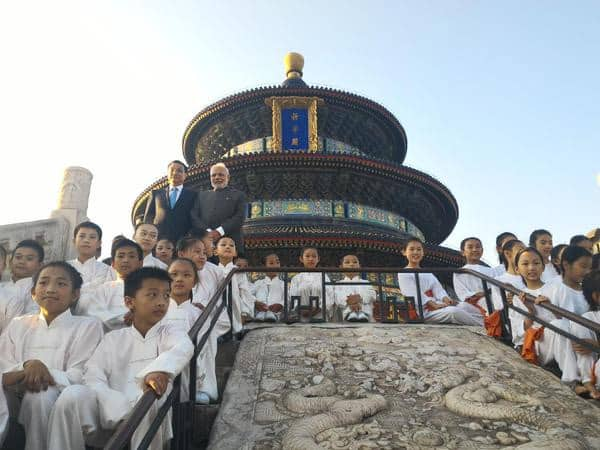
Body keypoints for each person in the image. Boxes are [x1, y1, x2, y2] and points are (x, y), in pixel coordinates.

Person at [48, 267, 194, 450]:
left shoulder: (171, 332)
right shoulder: (113, 338)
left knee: (149, 399)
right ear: (129, 302)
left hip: (148, 413)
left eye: (166, 296)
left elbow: (183, 347)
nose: (161, 302)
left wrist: (159, 370)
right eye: (152, 295)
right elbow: (93, 376)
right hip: (109, 411)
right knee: (71, 396)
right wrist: (114, 403)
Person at [0, 262, 103, 450]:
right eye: (43, 283)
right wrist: (29, 365)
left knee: (39, 395)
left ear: (75, 294)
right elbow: (4, 365)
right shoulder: (18, 324)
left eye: (61, 284)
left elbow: (80, 373)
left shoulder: (88, 325)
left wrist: (41, 373)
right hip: (14, 398)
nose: (50, 289)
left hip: (64, 399)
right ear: (33, 292)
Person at [511, 248, 577, 382]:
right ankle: (572, 381)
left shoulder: (556, 288)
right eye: (525, 264)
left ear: (543, 267)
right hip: (537, 346)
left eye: (536, 263)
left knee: (561, 326)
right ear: (517, 269)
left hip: (562, 338)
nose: (531, 267)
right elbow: (518, 335)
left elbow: (570, 322)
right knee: (558, 326)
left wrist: (552, 307)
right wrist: (530, 311)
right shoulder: (518, 297)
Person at [165, 258, 218, 404]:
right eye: (173, 274)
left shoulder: (199, 313)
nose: (179, 279)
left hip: (190, 371)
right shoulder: (157, 311)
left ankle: (200, 388)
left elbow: (206, 348)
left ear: (194, 281)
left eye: (186, 275)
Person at [397, 238, 483, 325]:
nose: (416, 252)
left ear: (423, 252)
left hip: (438, 305)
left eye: (419, 249)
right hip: (423, 310)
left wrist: (446, 299)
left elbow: (438, 290)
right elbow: (413, 293)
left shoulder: (428, 273)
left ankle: (485, 320)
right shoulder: (404, 273)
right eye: (412, 249)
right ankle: (483, 324)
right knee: (454, 312)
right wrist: (433, 305)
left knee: (464, 306)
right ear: (404, 252)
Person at [76, 239, 143, 331]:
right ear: (113, 264)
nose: (126, 260)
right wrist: (123, 318)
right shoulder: (105, 289)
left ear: (140, 263)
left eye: (131, 256)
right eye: (121, 256)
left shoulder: (151, 288)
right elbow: (96, 313)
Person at [191, 163, 247, 253]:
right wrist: (207, 232)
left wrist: (219, 231)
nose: (217, 177)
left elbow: (240, 217)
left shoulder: (239, 195)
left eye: (221, 175)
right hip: (205, 245)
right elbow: (194, 216)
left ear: (228, 177)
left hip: (231, 244)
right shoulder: (201, 196)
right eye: (214, 175)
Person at [143, 160, 195, 244]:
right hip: (158, 242)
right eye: (172, 170)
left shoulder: (193, 195)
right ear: (168, 173)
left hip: (182, 242)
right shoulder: (156, 194)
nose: (175, 173)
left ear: (185, 175)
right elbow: (148, 218)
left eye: (179, 171)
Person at [570, 270, 600, 399]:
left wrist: (597, 345)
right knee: (579, 327)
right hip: (596, 370)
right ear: (596, 296)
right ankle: (588, 382)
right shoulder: (588, 318)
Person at [214, 236, 255, 331]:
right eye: (223, 244)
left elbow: (245, 293)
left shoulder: (239, 272)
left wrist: (244, 313)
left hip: (235, 310)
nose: (228, 247)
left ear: (235, 252)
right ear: (215, 251)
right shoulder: (213, 270)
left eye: (231, 245)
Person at [0, 240, 44, 317]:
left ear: (40, 265)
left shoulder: (39, 291)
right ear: (10, 262)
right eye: (18, 257)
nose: (22, 262)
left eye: (29, 259)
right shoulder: (2, 287)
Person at [288, 247, 334, 320]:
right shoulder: (296, 278)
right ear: (301, 259)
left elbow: (329, 295)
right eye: (307, 256)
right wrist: (300, 309)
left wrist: (318, 308)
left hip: (320, 315)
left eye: (314, 256)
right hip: (301, 316)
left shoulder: (324, 276)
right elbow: (292, 296)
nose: (311, 259)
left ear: (318, 259)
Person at [452, 237, 494, 315]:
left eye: (478, 247)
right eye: (470, 247)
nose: (474, 249)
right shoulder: (459, 272)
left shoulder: (491, 271)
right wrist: (477, 295)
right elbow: (462, 294)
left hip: (492, 303)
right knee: (461, 306)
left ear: (482, 251)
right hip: (474, 307)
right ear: (463, 252)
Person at [67, 221, 111, 287]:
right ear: (74, 241)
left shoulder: (107, 271)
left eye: (92, 237)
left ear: (99, 243)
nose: (86, 240)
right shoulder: (65, 267)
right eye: (82, 236)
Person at [334, 254, 376, 322]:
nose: (351, 264)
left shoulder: (366, 282)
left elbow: (372, 295)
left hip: (366, 317)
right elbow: (338, 298)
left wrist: (360, 297)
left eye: (355, 262)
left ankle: (363, 314)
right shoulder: (338, 284)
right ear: (341, 267)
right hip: (344, 317)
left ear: (359, 266)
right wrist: (350, 301)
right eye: (347, 262)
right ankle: (350, 313)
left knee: (366, 301)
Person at [491, 239, 526, 311]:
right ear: (507, 253)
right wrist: (511, 299)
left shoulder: (531, 275)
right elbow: (498, 306)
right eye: (521, 250)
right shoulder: (499, 280)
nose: (525, 253)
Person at [253, 253, 284, 322]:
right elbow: (249, 295)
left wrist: (281, 305)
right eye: (271, 263)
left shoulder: (283, 284)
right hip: (259, 312)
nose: (275, 265)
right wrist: (256, 302)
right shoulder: (258, 283)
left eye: (277, 262)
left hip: (277, 314)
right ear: (264, 266)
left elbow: (287, 298)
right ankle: (262, 315)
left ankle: (272, 315)